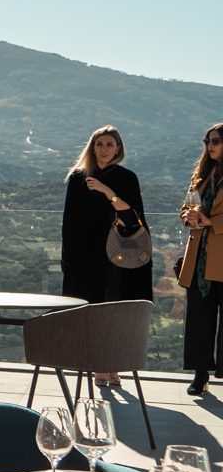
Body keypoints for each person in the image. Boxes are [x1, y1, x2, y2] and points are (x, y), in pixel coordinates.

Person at [62, 125, 154, 388]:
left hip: (119, 256)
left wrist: (106, 191)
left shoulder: (127, 178)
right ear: (92, 147)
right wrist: (68, 259)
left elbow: (133, 218)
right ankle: (99, 367)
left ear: (118, 149)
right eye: (99, 144)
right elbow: (69, 222)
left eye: (109, 144)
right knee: (93, 312)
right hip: (85, 258)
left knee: (115, 312)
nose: (104, 149)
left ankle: (113, 366)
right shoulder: (78, 178)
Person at [180, 122, 223, 395]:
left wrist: (213, 222)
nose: (211, 145)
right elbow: (186, 205)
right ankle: (200, 374)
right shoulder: (203, 173)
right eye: (208, 140)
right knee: (199, 317)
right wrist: (190, 217)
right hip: (199, 257)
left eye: (217, 140)